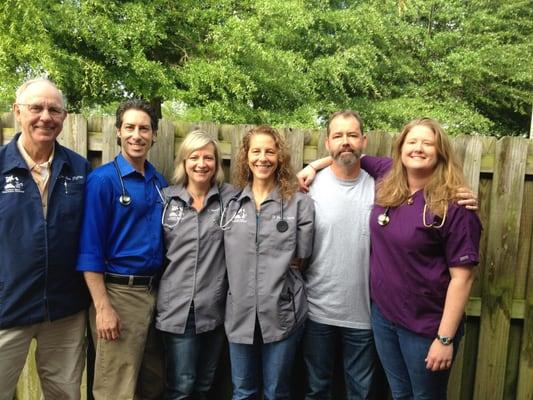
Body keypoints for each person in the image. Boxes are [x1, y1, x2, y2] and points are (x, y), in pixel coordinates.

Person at [363, 118, 481, 399]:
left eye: (427, 143)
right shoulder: (389, 178)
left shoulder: (455, 206)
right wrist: (312, 167)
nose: (418, 148)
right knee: (400, 393)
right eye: (412, 142)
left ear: (440, 152)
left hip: (425, 327)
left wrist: (444, 339)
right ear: (401, 148)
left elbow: (462, 279)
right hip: (384, 316)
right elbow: (352, 154)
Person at [0, 78, 90, 400]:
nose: (45, 117)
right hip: (7, 308)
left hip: (65, 311)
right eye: (35, 108)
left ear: (64, 117)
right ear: (17, 112)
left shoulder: (78, 169)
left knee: (65, 394)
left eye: (54, 109)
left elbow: (89, 237)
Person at [77, 99, 166, 399]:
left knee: (152, 383)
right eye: (129, 127)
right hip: (118, 294)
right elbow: (89, 248)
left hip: (155, 294)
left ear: (154, 134)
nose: (136, 135)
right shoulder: (103, 181)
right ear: (118, 132)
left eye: (144, 128)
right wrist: (103, 308)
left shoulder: (158, 183)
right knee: (115, 389)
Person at [222, 125, 315, 400]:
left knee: (277, 392)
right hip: (239, 312)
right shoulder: (231, 203)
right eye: (256, 151)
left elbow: (303, 257)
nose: (262, 158)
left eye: (270, 152)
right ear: (245, 157)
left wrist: (320, 163)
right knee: (242, 392)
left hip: (282, 312)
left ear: (280, 158)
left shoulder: (299, 204)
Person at [301, 110, 377, 399]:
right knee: (316, 389)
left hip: (365, 315)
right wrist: (314, 166)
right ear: (327, 142)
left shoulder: (382, 186)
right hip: (317, 309)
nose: (345, 141)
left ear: (364, 140)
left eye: (352, 135)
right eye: (338, 135)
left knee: (361, 393)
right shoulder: (309, 186)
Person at [156, 130, 237, 400]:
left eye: (208, 158)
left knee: (204, 385)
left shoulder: (231, 200)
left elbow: (268, 190)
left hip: (214, 308)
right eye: (194, 157)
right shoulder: (165, 199)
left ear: (217, 163)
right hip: (177, 308)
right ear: (184, 161)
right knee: (182, 386)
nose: (201, 164)